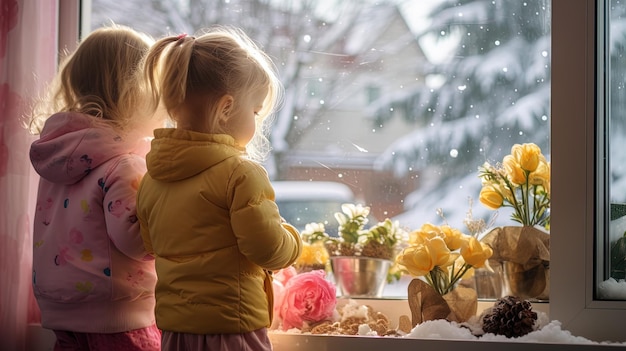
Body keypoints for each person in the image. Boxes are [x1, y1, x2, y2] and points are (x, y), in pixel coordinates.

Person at [136, 26, 302, 351]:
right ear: (226, 108)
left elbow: (150, 244)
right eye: (255, 111)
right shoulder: (240, 174)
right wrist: (294, 241)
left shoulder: (151, 178)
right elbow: (267, 249)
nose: (256, 123)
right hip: (232, 327)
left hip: (174, 332)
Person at [28, 24, 162, 351]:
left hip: (61, 311)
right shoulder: (125, 163)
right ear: (135, 95)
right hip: (118, 313)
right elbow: (137, 243)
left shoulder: (59, 159)